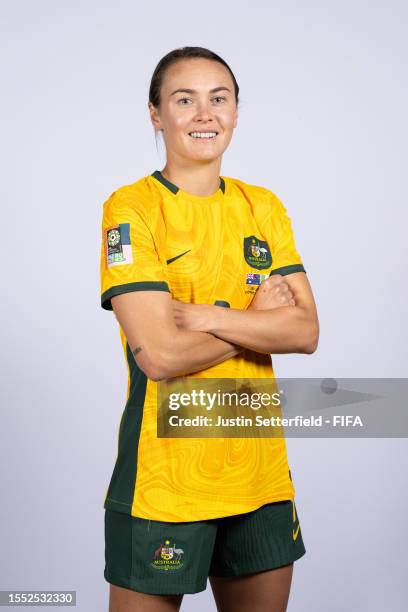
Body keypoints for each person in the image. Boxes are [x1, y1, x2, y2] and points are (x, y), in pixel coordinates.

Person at [100, 46, 319, 612]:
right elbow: (162, 356)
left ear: (236, 111)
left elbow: (305, 332)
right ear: (156, 114)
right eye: (184, 99)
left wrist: (209, 315)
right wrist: (257, 319)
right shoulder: (132, 209)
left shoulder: (262, 206)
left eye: (218, 99)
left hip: (260, 477)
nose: (204, 114)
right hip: (166, 480)